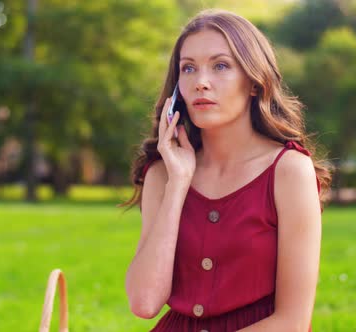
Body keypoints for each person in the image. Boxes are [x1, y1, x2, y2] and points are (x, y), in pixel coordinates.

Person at [121, 8, 332, 331]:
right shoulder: (163, 174)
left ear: (253, 82)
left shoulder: (290, 172)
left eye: (220, 66)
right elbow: (145, 302)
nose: (201, 83)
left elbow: (292, 322)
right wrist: (178, 183)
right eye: (188, 69)